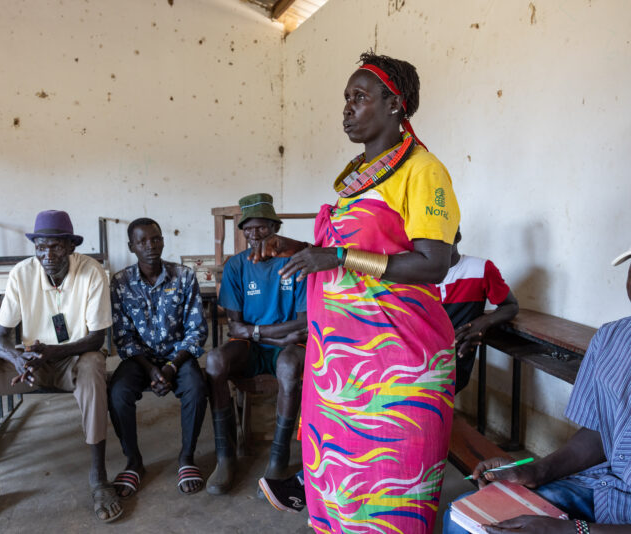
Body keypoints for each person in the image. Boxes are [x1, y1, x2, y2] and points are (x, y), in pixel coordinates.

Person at [248, 53, 461, 532]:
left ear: (394, 104)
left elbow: (433, 262)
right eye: (345, 98)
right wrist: (296, 247)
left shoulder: (423, 171)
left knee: (391, 495)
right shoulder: (357, 182)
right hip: (342, 370)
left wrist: (339, 258)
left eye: (359, 97)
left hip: (399, 368)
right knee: (340, 489)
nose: (346, 109)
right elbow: (351, 250)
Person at [0, 210, 121, 530]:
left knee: (95, 365)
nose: (47, 255)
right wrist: (17, 360)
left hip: (74, 359)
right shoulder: (22, 273)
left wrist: (53, 352)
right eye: (40, 247)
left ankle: (99, 478)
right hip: (30, 363)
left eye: (55, 247)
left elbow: (96, 337)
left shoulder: (92, 272)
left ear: (70, 246)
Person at [442, 248, 631, 533]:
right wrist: (536, 471)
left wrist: (573, 530)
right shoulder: (612, 338)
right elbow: (600, 432)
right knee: (466, 519)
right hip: (603, 488)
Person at [205, 193, 308, 495]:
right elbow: (235, 326)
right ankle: (225, 456)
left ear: (275, 228)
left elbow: (303, 324)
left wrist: (258, 331)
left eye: (262, 228)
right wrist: (267, 334)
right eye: (248, 229)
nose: (254, 235)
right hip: (254, 345)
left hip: (288, 348)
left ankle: (279, 456)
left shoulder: (295, 262)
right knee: (214, 361)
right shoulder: (236, 266)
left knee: (289, 364)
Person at [108, 217, 208, 497]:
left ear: (163, 241)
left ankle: (187, 458)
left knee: (197, 388)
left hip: (178, 357)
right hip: (140, 360)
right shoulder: (121, 282)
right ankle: (134, 462)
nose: (150, 246)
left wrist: (171, 368)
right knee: (117, 392)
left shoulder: (185, 276)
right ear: (131, 246)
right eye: (142, 241)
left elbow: (197, 330)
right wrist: (152, 370)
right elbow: (124, 336)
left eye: (155, 239)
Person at [437, 228, 519, 392]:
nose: (434, 244)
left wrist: (483, 321)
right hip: (421, 356)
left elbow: (511, 305)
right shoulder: (417, 276)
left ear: (457, 236)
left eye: (441, 235)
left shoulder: (480, 269)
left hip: (455, 363)